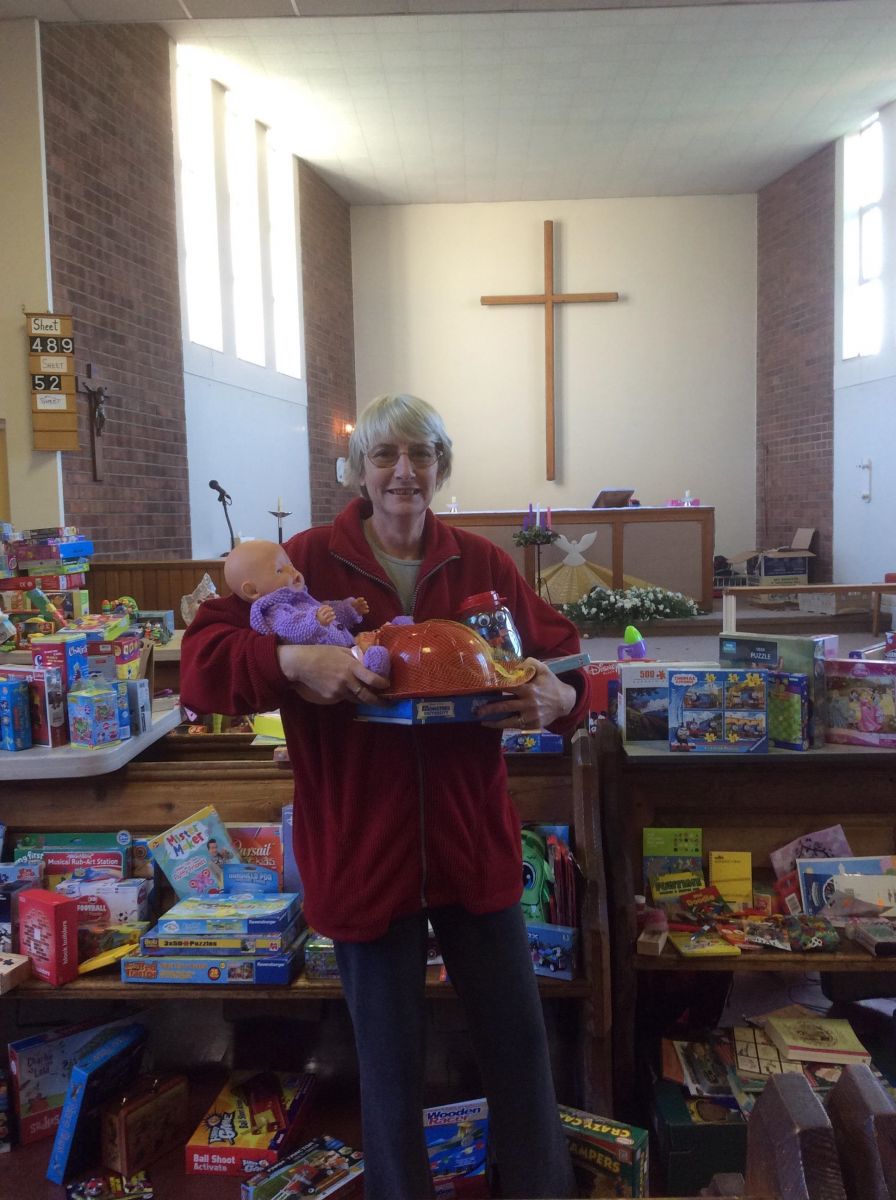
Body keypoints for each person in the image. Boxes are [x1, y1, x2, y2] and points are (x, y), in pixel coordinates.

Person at [180, 393, 588, 1200]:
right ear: (358, 469)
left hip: (475, 848)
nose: (404, 472)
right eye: (384, 456)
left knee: (519, 1047)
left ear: (440, 466)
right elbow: (202, 662)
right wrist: (294, 662)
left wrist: (560, 701)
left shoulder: (483, 564)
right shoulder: (299, 563)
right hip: (363, 854)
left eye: (421, 455)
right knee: (390, 1068)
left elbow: (565, 656)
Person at [222, 538, 391, 674]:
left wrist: (349, 609)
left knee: (379, 635)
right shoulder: (274, 612)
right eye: (280, 570)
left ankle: (396, 631)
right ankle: (375, 663)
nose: (293, 571)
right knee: (372, 653)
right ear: (252, 590)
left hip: (347, 646)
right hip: (333, 664)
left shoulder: (300, 600)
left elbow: (326, 609)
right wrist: (315, 620)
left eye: (291, 565)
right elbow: (290, 627)